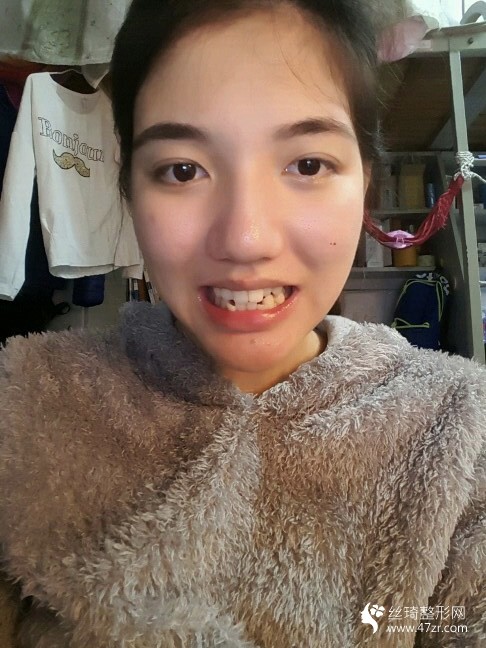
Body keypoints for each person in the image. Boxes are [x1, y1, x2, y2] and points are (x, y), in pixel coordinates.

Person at [0, 0, 484, 646]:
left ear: (365, 185)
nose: (245, 239)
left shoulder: (460, 429)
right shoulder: (29, 405)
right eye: (183, 170)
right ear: (128, 189)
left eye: (307, 165)